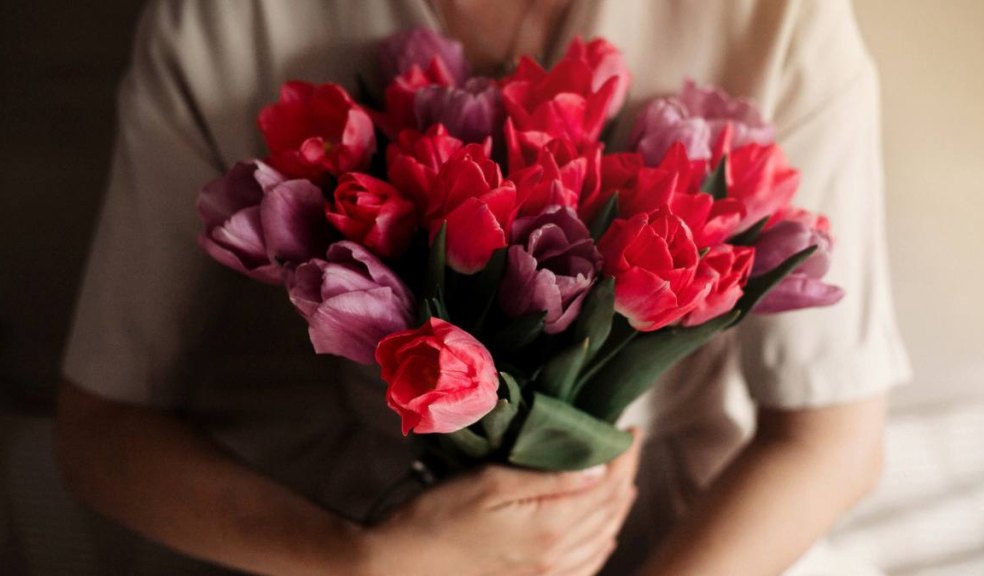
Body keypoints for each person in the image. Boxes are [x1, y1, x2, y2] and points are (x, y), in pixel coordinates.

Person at [56, 1, 912, 574]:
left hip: (684, 535)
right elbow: (101, 428)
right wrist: (362, 563)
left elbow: (832, 437)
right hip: (360, 518)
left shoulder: (776, 16)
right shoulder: (229, 19)